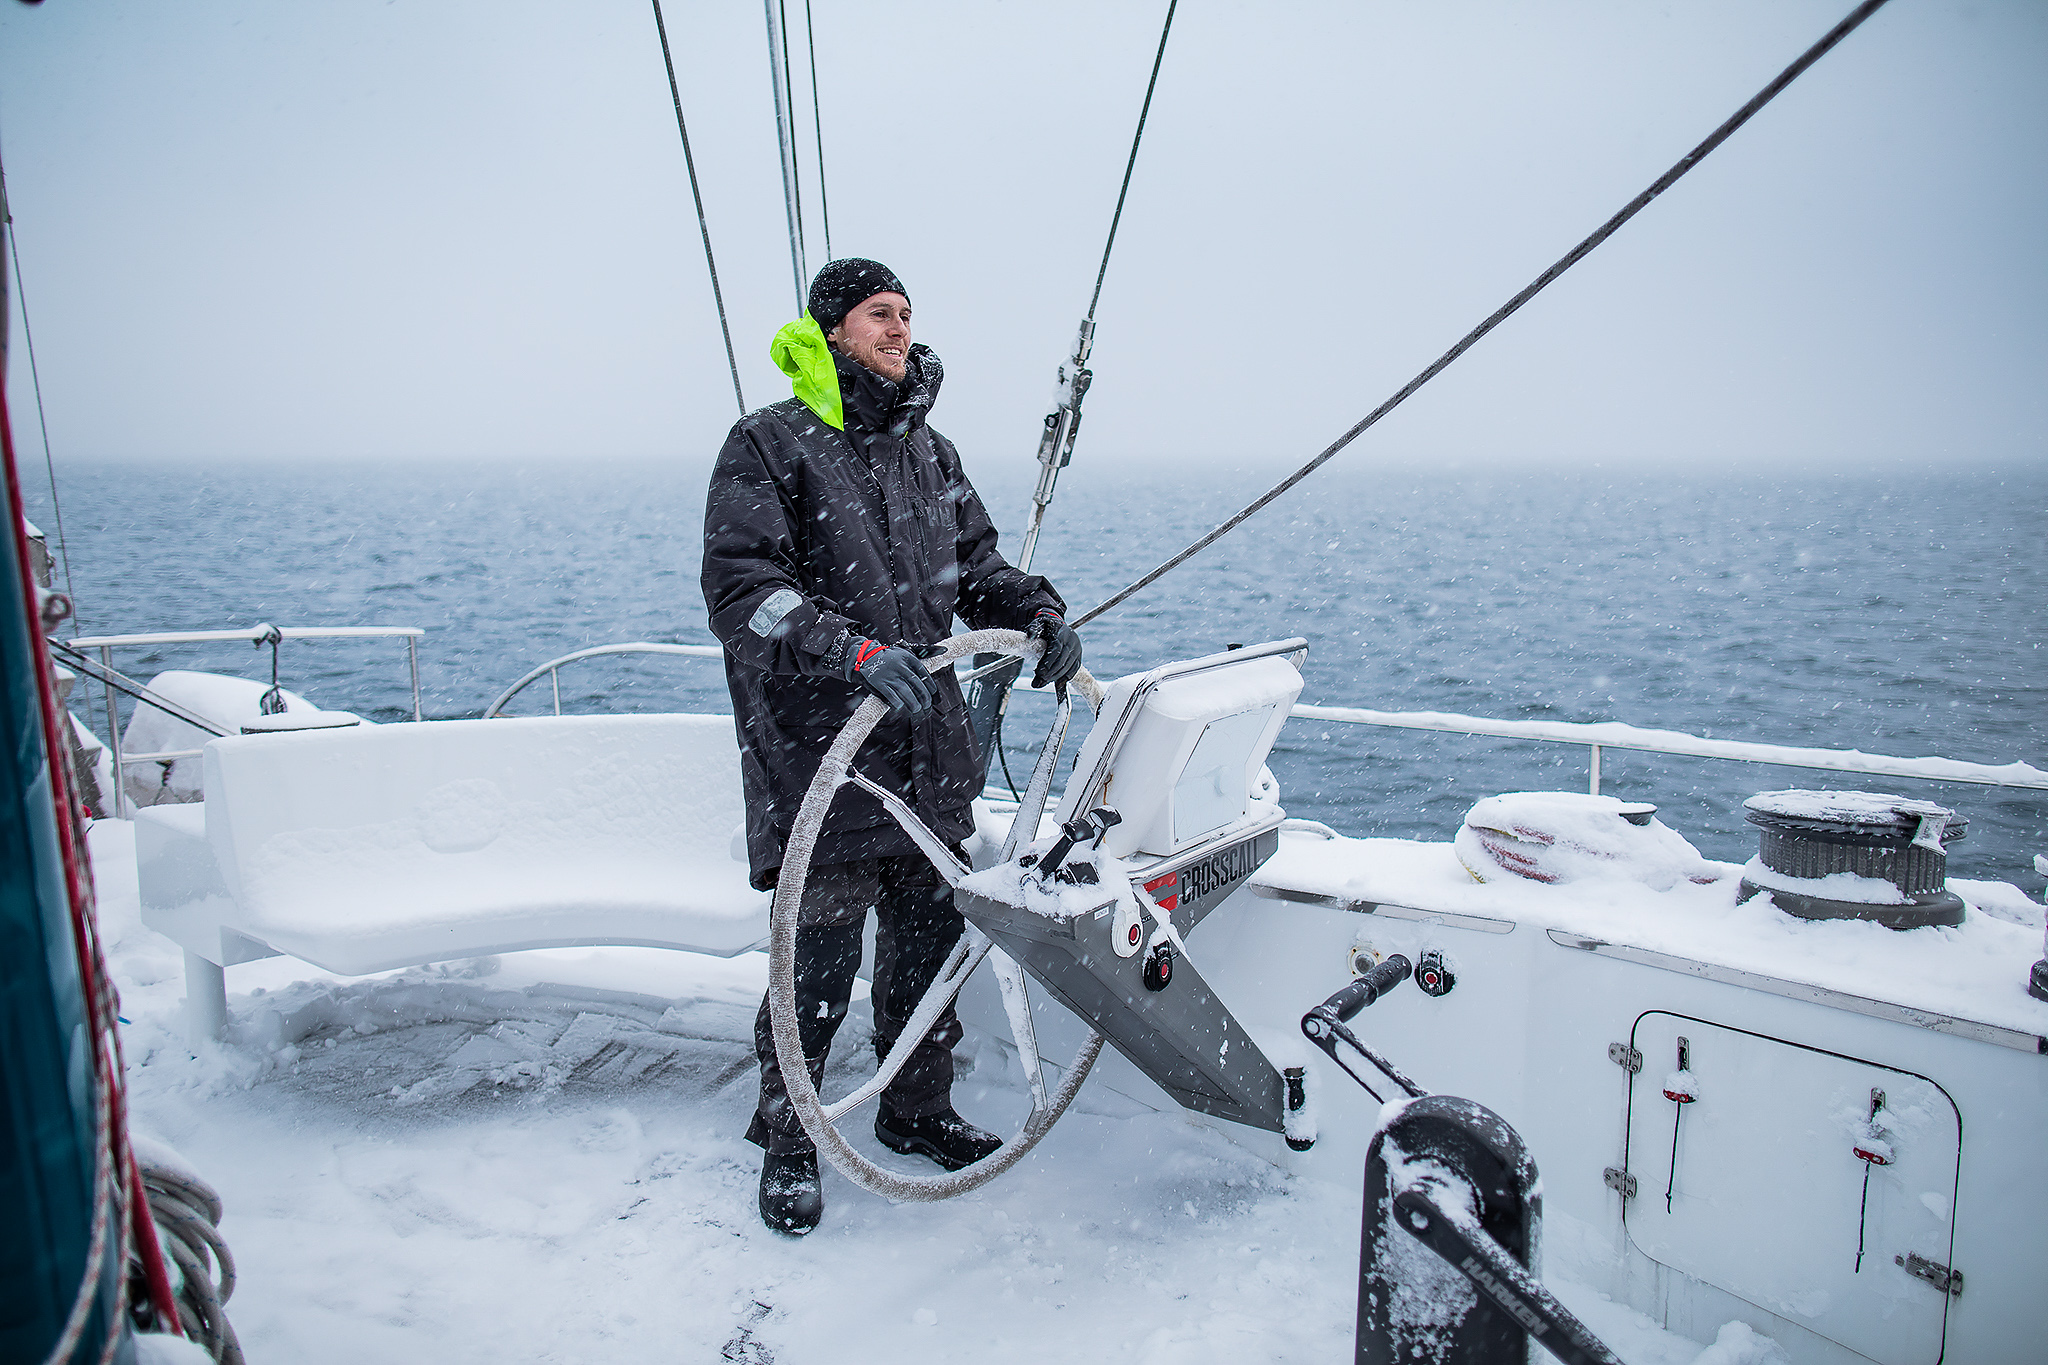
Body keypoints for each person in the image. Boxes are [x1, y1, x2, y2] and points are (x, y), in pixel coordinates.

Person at [702, 259, 1085, 1235]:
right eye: (881, 313)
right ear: (831, 327)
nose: (899, 328)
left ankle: (915, 1110)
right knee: (818, 964)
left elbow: (979, 572)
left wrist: (1038, 614)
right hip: (818, 752)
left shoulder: (929, 451)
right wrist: (851, 651)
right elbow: (746, 592)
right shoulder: (770, 446)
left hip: (927, 752)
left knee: (928, 945)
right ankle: (789, 1133)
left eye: (908, 314)